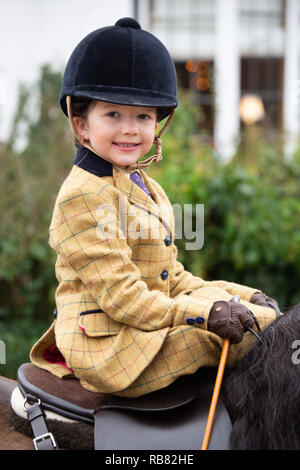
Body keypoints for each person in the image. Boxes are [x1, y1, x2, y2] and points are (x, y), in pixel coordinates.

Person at [30, 18, 279, 397]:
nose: (131, 129)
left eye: (143, 116)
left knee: (266, 320)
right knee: (246, 338)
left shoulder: (146, 186)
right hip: (109, 345)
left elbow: (172, 278)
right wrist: (204, 314)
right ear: (81, 126)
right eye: (113, 114)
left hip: (144, 323)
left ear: (156, 123)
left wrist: (241, 295)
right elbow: (124, 297)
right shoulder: (82, 196)